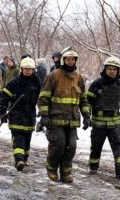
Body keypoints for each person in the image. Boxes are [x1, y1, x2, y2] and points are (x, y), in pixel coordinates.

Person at [38, 46, 91, 183]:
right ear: (63, 60)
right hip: (55, 119)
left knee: (71, 146)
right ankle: (51, 168)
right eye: (68, 59)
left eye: (73, 59)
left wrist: (86, 116)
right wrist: (44, 115)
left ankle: (66, 173)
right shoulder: (54, 75)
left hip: (72, 120)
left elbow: (83, 99)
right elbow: (44, 97)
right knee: (58, 145)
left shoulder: (79, 78)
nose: (70, 61)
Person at [86, 56, 120, 179]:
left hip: (114, 123)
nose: (112, 71)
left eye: (114, 69)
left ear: (118, 71)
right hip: (98, 124)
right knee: (96, 146)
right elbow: (88, 102)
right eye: (110, 69)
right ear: (105, 69)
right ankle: (93, 167)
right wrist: (86, 116)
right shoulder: (96, 84)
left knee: (119, 145)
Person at [0, 57, 41, 171]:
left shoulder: (37, 83)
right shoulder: (14, 82)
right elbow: (4, 97)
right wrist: (2, 112)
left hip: (30, 116)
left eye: (29, 69)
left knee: (27, 140)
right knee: (18, 139)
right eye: (25, 69)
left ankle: (25, 158)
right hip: (16, 115)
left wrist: (44, 112)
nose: (27, 71)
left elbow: (42, 99)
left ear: (33, 70)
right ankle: (19, 160)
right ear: (21, 69)